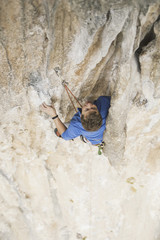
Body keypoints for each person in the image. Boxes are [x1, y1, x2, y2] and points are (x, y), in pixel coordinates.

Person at [40, 96, 111, 145]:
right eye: (93, 108)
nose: (89, 104)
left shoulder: (77, 124)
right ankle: (84, 138)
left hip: (94, 139)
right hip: (97, 140)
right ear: (99, 113)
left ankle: (84, 138)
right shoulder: (104, 104)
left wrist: (53, 115)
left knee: (61, 130)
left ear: (80, 117)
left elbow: (65, 136)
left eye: (87, 109)